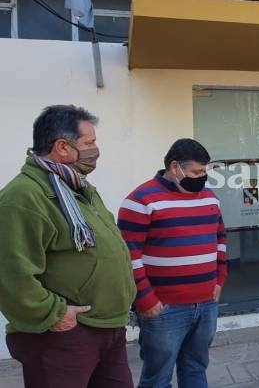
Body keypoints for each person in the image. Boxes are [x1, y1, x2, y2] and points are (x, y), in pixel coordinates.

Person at [0, 105, 136, 388]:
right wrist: (53, 313)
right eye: (89, 143)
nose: (95, 150)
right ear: (63, 147)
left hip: (107, 326)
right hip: (64, 334)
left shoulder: (78, 188)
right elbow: (11, 274)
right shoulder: (24, 196)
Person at [118, 139, 228, 388]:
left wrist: (220, 279)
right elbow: (128, 256)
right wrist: (145, 299)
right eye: (196, 172)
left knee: (196, 369)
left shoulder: (210, 198)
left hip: (206, 304)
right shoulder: (140, 200)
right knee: (158, 378)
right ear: (175, 166)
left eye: (205, 171)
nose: (202, 177)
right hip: (163, 309)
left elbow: (220, 239)